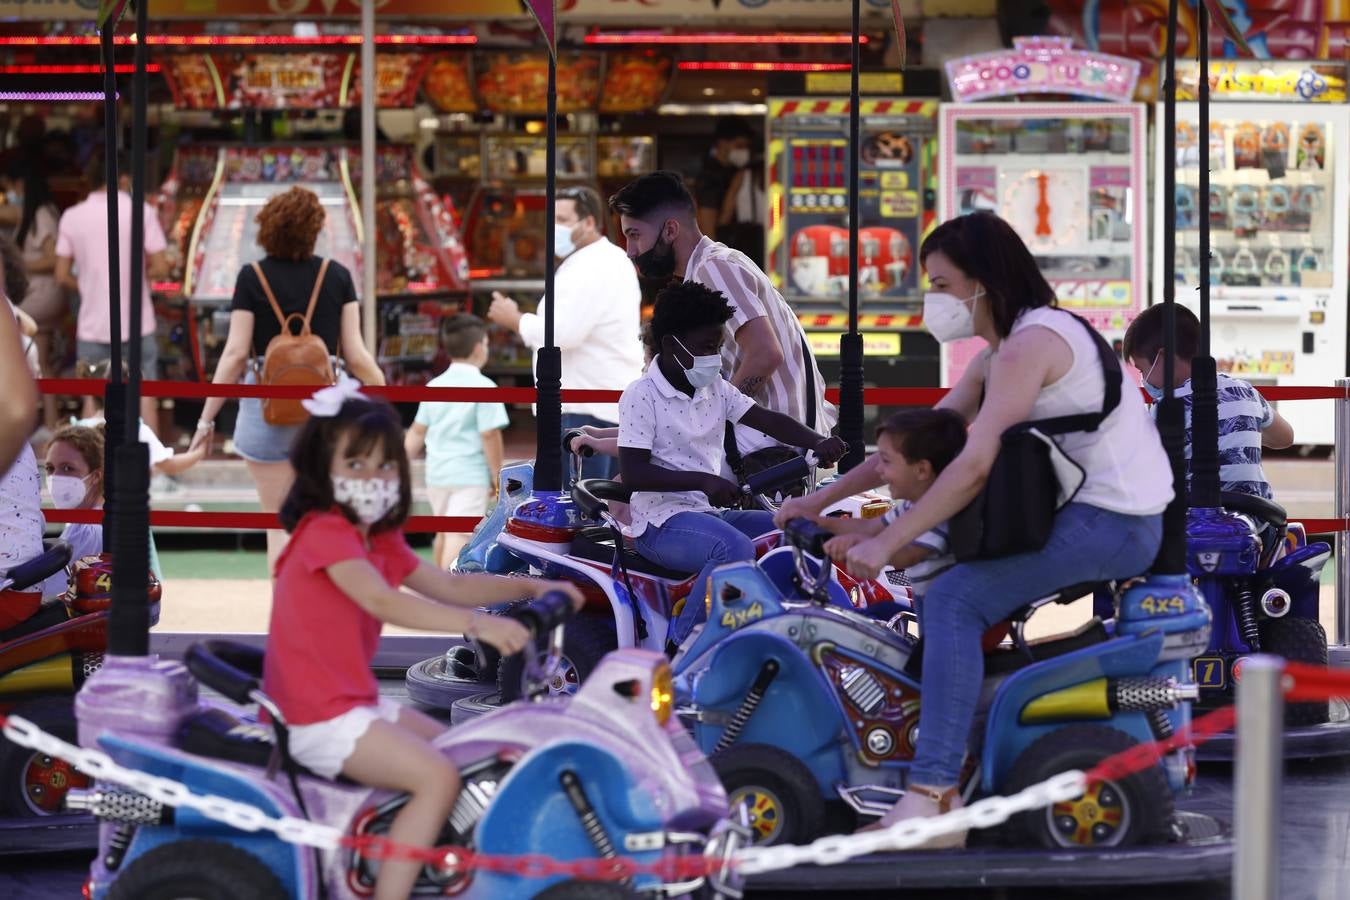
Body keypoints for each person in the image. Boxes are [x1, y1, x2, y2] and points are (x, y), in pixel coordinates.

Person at [775, 211, 1173, 845]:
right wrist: (813, 500)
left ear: (982, 283)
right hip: (1091, 513)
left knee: (956, 599)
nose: (934, 300)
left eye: (940, 284)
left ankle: (933, 795)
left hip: (1118, 522)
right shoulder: (999, 354)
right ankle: (942, 756)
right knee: (949, 594)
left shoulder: (1029, 347)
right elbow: (912, 446)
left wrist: (884, 542)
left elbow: (971, 464)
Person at [263, 381, 582, 900]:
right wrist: (484, 625)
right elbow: (382, 602)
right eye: (356, 465)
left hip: (351, 705)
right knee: (436, 777)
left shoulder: (375, 537)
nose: (374, 478)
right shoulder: (326, 532)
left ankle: (417, 861)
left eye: (385, 465)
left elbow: (450, 584)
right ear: (322, 472)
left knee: (466, 751)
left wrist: (534, 583)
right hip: (315, 715)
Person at [619, 280, 847, 649]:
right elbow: (633, 474)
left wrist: (818, 441)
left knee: (791, 529)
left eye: (719, 347)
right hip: (659, 524)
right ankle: (683, 646)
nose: (715, 356)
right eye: (707, 348)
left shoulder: (716, 388)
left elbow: (768, 420)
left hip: (707, 514)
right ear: (670, 346)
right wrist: (705, 482)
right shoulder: (640, 396)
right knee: (734, 549)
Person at [192, 186, 385, 573]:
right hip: (326, 416)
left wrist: (205, 418)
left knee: (276, 522)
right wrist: (386, 406)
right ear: (315, 230)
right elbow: (357, 354)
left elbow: (233, 356)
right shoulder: (337, 276)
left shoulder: (251, 277)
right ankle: (323, 607)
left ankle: (286, 611)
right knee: (326, 518)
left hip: (266, 413)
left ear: (267, 229)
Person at [610, 170, 836, 465]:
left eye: (634, 235)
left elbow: (766, 354)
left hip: (770, 446)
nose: (630, 251)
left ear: (670, 230)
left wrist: (714, 415)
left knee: (631, 491)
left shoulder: (712, 268)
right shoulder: (714, 264)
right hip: (775, 438)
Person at [487, 184, 643, 482]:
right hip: (596, 404)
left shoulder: (593, 265)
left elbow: (562, 333)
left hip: (586, 408)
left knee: (579, 509)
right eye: (552, 219)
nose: (554, 227)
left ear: (588, 222)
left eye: (562, 219)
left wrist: (516, 319)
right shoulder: (600, 260)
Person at [1123, 303, 1293, 499]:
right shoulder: (1245, 391)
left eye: (1142, 370)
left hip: (1197, 523)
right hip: (1258, 520)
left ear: (1163, 358)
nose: (1144, 380)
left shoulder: (1165, 411)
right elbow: (1285, 437)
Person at [55, 150, 169, 427]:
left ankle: (87, 466)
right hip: (137, 323)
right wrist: (139, 273)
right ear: (124, 178)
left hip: (92, 325)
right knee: (145, 396)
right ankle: (149, 468)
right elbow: (161, 266)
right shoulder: (143, 211)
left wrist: (85, 285)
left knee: (93, 401)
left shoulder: (72, 216)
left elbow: (61, 274)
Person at [817, 408, 967, 602]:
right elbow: (873, 526)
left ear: (922, 470)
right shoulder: (911, 506)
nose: (878, 469)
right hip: (927, 596)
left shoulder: (939, 514)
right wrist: (819, 524)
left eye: (886, 461)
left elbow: (909, 555)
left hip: (947, 605)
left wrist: (859, 546)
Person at [404, 314, 508, 570]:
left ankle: (438, 586)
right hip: (468, 475)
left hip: (436, 474)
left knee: (442, 530)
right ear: (478, 348)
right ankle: (447, 590)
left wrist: (398, 461)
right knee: (459, 534)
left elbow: (417, 431)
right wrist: (498, 475)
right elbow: (489, 434)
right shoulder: (485, 387)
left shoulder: (434, 386)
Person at [2, 165, 62, 428]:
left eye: (11, 187)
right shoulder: (34, 213)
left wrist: (18, 264)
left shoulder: (42, 215)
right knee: (44, 363)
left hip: (41, 296)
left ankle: (38, 422)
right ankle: (46, 422)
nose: (10, 194)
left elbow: (52, 259)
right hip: (40, 295)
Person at [694, 117, 762, 262]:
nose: (743, 151)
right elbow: (709, 232)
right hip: (723, 258)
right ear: (722, 143)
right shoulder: (710, 177)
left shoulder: (733, 171)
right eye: (739, 146)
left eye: (746, 147)